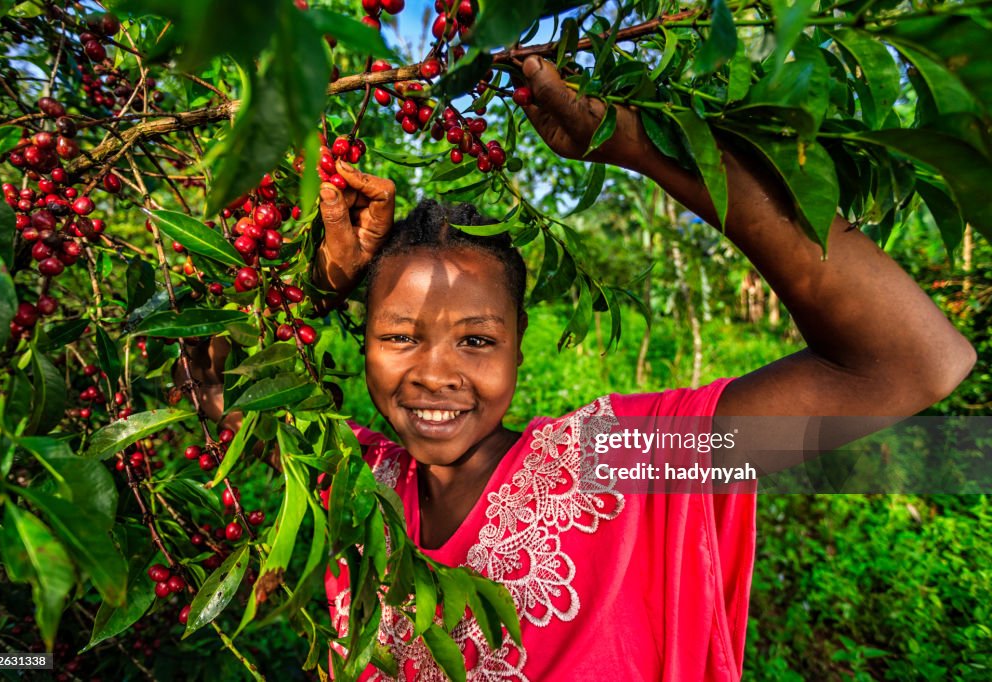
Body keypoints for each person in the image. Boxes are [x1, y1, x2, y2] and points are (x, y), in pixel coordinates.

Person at [182, 56, 976, 680]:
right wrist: (316, 286)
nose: (432, 374)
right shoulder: (353, 478)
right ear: (362, 346)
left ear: (521, 347)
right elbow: (215, 371)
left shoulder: (608, 465)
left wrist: (636, 145)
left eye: (476, 341)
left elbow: (908, 364)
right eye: (398, 336)